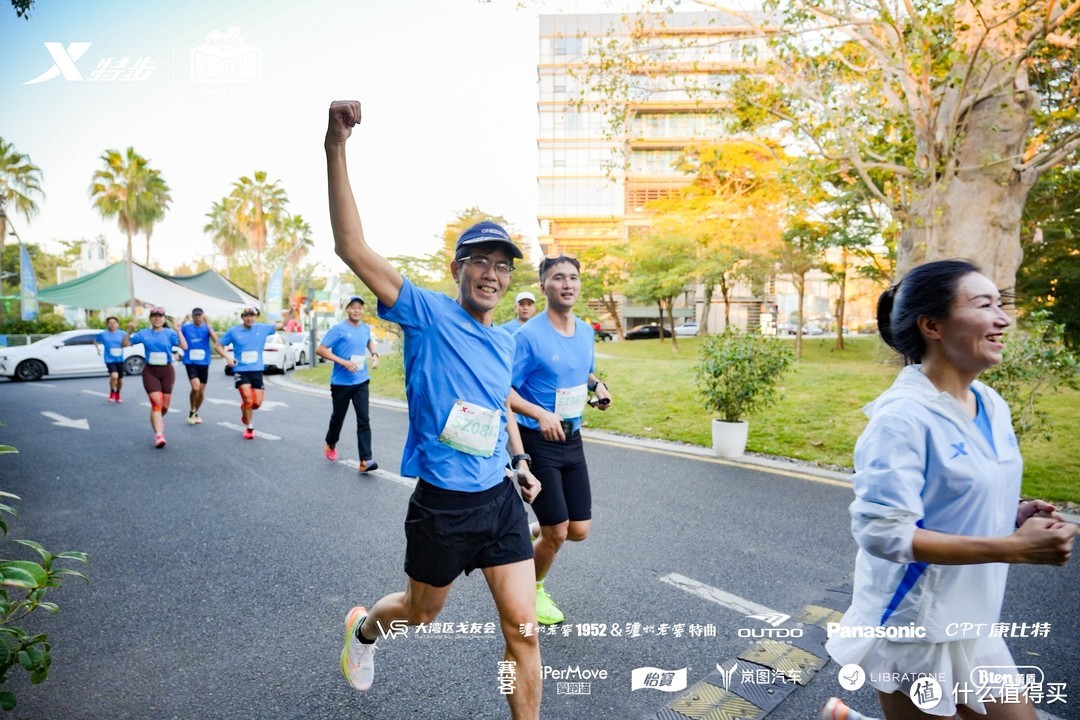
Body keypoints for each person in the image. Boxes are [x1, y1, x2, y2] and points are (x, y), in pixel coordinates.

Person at [326, 100, 542, 719]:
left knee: (524, 634)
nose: (493, 274)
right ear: (458, 268)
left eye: (503, 266)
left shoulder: (507, 339)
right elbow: (350, 245)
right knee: (421, 613)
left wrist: (519, 461)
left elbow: (498, 406)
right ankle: (365, 629)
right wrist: (335, 146)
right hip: (442, 507)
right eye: (481, 261)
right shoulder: (425, 312)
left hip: (498, 502)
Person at [824, 260, 1076, 720]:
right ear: (933, 325)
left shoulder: (989, 402)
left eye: (1002, 305)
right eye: (984, 305)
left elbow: (954, 489)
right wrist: (1012, 547)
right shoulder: (900, 419)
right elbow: (884, 534)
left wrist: (1011, 513)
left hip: (973, 617)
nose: (1003, 318)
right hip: (915, 625)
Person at [509, 253, 612, 625]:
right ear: (544, 286)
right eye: (558, 278)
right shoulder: (528, 336)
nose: (567, 284)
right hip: (537, 441)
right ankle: (533, 590)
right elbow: (503, 390)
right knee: (557, 534)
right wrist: (539, 413)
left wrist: (598, 386)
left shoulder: (585, 331)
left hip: (573, 437)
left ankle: (529, 530)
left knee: (578, 530)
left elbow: (584, 372)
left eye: (572, 277)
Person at [317, 295, 380, 472]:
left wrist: (374, 354)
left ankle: (365, 460)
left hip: (361, 380)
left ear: (363, 310)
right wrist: (342, 362)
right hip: (341, 383)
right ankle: (330, 443)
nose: (357, 310)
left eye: (360, 307)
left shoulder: (365, 328)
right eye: (353, 307)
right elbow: (320, 349)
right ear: (347, 309)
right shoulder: (338, 329)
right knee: (338, 416)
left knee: (364, 419)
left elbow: (368, 340)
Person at [213, 307, 285, 440]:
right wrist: (228, 358)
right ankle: (250, 427)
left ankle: (245, 409)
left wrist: (291, 312)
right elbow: (218, 345)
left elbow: (281, 324)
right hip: (241, 369)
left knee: (256, 403)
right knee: (247, 397)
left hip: (256, 370)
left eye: (252, 316)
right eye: (246, 316)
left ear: (255, 317)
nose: (249, 318)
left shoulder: (262, 328)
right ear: (242, 317)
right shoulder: (234, 331)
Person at [123, 308, 187, 448]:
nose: (157, 319)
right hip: (150, 371)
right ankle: (159, 435)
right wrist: (130, 331)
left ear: (164, 319)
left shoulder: (170, 333)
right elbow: (125, 344)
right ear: (150, 319)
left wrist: (178, 330)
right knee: (156, 403)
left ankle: (156, 418)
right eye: (154, 316)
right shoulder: (143, 333)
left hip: (167, 371)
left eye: (160, 316)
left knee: (164, 406)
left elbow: (184, 346)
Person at [180, 308, 220, 425]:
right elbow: (176, 331)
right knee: (196, 388)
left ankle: (195, 412)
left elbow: (216, 340)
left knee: (201, 392)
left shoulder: (207, 327)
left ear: (203, 316)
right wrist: (182, 321)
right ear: (192, 317)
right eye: (195, 316)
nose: (197, 318)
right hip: (190, 362)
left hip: (204, 362)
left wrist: (209, 325)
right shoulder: (186, 327)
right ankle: (192, 409)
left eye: (199, 316)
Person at [94, 315, 128, 403]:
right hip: (109, 359)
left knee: (120, 379)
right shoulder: (103, 334)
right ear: (107, 324)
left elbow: (127, 342)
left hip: (120, 359)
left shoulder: (122, 333)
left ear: (117, 324)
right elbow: (95, 340)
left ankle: (118, 393)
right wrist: (98, 349)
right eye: (110, 323)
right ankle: (112, 391)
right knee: (114, 376)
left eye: (114, 323)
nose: (112, 324)